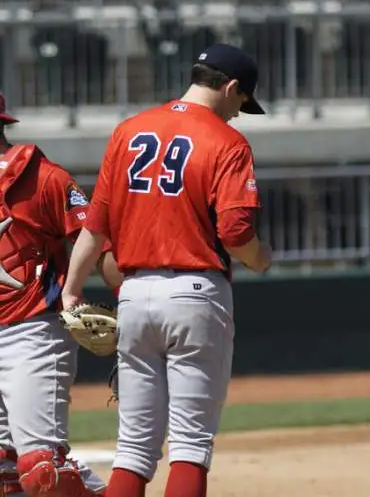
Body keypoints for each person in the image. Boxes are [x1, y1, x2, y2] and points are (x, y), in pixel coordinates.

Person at [62, 43, 271, 497]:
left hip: (134, 294)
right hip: (197, 293)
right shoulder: (227, 142)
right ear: (231, 87)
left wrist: (71, 289)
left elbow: (95, 226)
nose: (238, 113)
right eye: (241, 102)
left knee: (134, 448)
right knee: (191, 444)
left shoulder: (129, 130)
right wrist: (260, 257)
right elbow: (235, 233)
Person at [0, 94, 122, 497]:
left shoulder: (45, 178)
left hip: (31, 331)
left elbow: (97, 242)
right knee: (5, 473)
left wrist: (133, 302)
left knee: (44, 473)